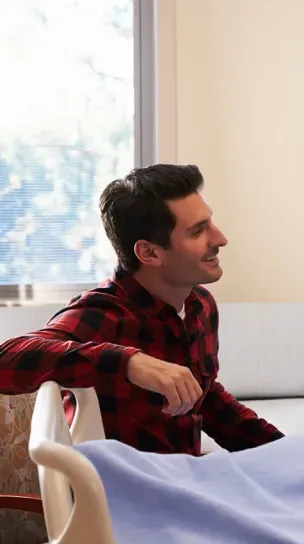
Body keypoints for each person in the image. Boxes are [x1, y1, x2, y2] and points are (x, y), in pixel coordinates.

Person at [0, 164, 284, 455]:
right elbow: (6, 359)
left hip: (187, 477)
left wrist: (285, 451)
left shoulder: (201, 306)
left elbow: (205, 398)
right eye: (198, 231)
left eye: (210, 222)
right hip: (123, 493)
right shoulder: (103, 314)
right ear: (149, 253)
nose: (220, 238)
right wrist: (129, 363)